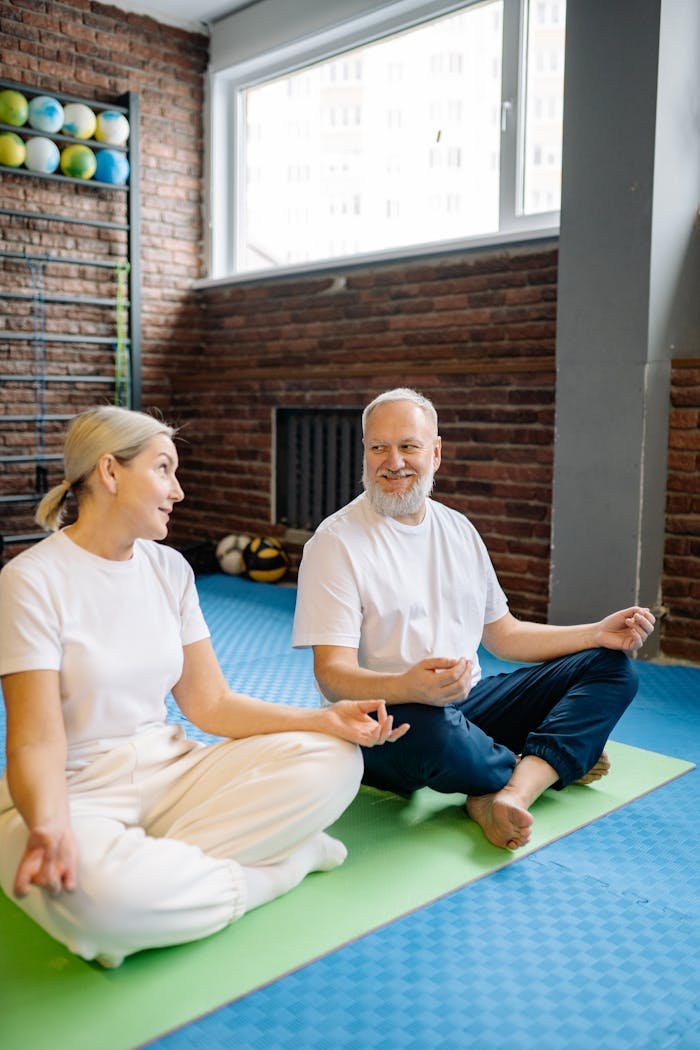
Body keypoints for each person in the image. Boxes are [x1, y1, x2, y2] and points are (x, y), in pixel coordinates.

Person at [0, 405, 407, 969]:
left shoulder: (170, 571)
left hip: (172, 774)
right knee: (97, 900)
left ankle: (153, 882)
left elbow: (210, 705)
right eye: (164, 469)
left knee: (335, 762)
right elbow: (33, 743)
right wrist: (48, 825)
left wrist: (323, 720)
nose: (179, 491)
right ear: (110, 473)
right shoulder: (30, 580)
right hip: (72, 793)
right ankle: (279, 869)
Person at [292, 387, 656, 852]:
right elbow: (332, 676)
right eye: (378, 447)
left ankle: (510, 790)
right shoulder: (335, 542)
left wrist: (595, 633)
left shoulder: (459, 530)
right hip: (383, 721)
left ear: (436, 453)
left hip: (466, 706)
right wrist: (409, 687)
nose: (393, 461)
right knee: (432, 731)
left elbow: (504, 635)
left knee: (611, 667)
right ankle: (551, 763)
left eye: (408, 446)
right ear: (364, 452)